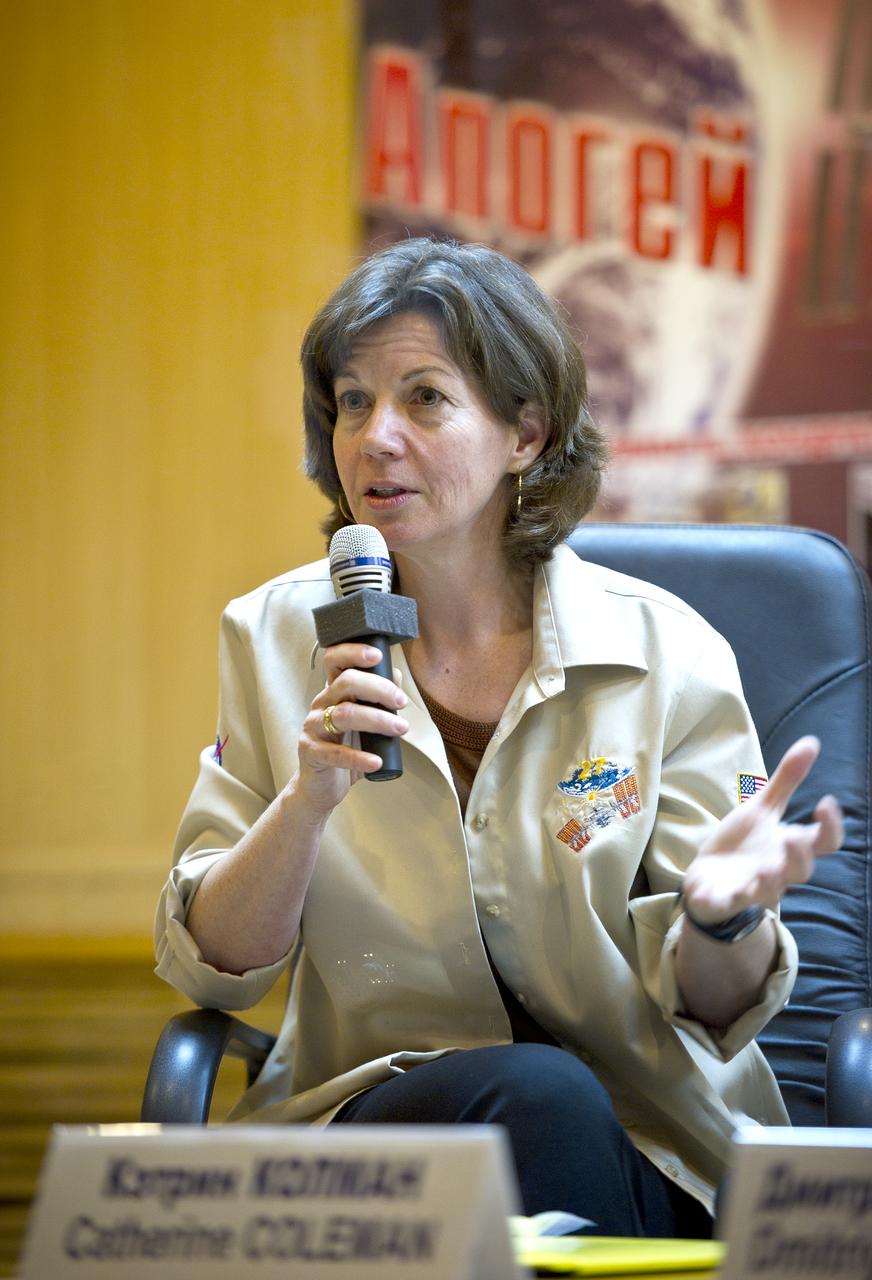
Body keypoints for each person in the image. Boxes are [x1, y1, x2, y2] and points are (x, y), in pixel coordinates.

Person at [154, 237, 842, 1238]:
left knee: (557, 1101)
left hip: (640, 1136)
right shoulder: (272, 635)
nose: (374, 437)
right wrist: (308, 797)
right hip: (380, 1124)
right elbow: (218, 962)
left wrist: (719, 918)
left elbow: (715, 1004)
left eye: (423, 397)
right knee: (535, 1095)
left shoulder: (663, 650)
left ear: (525, 432)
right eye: (352, 400)